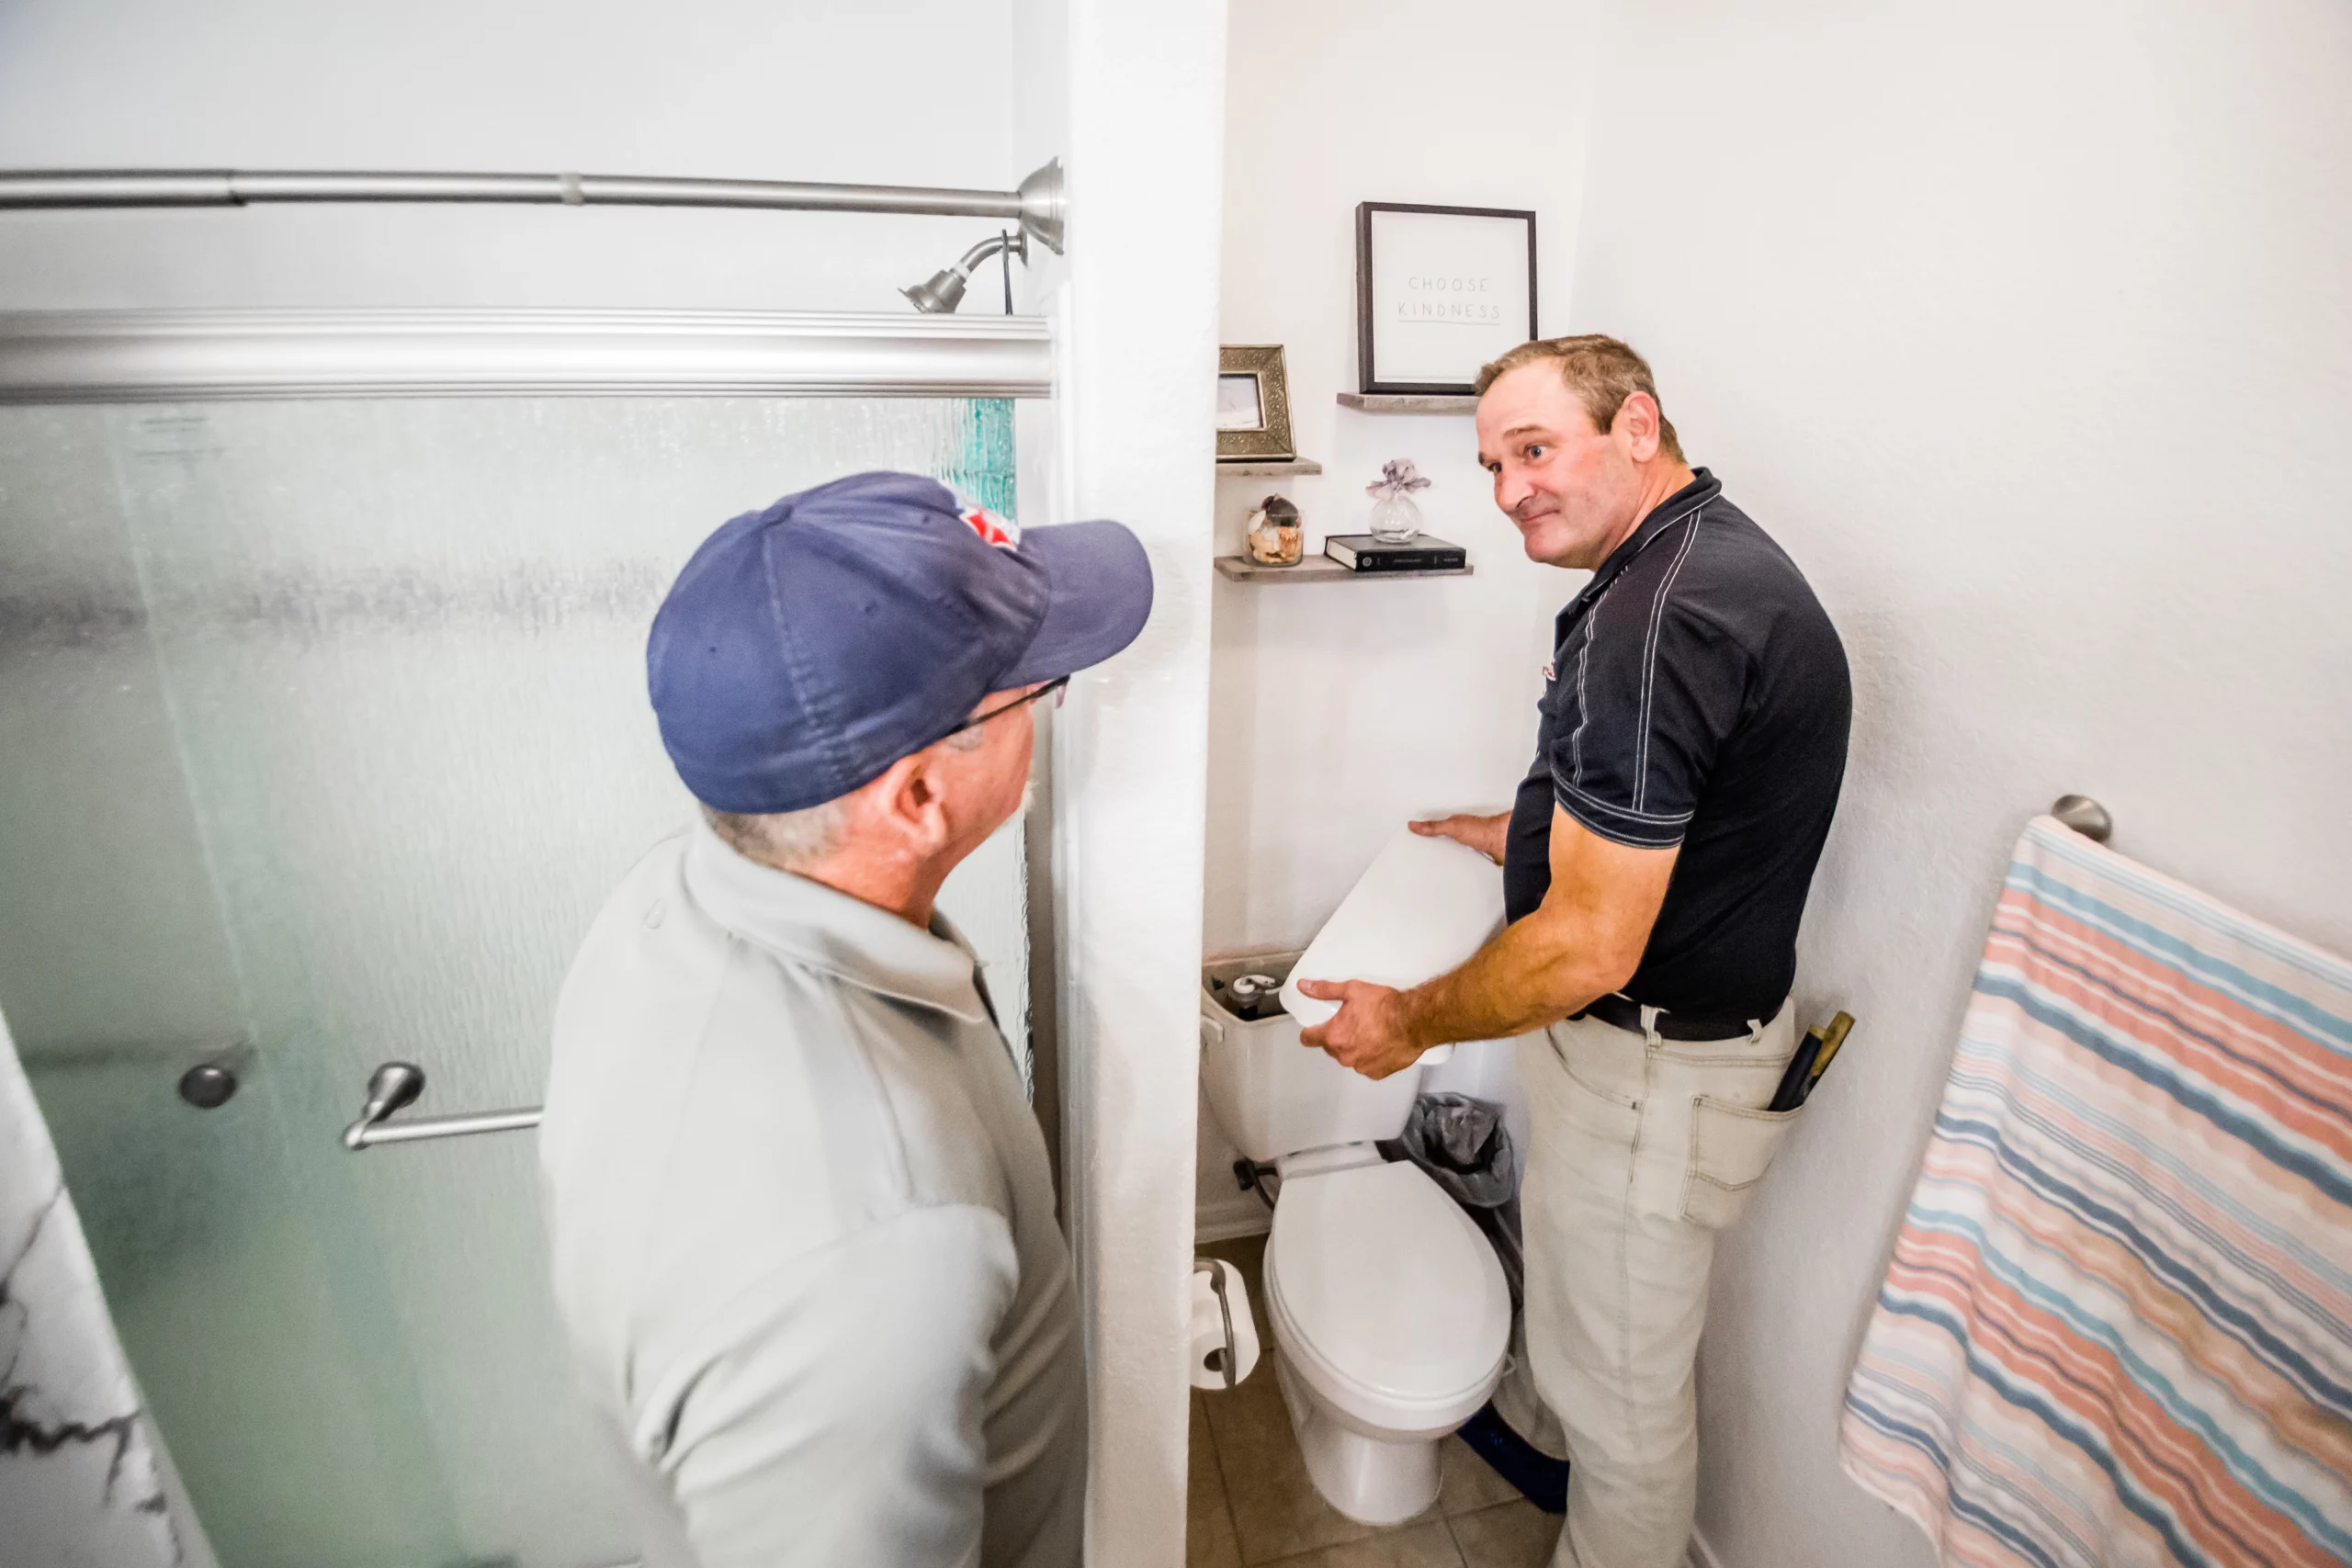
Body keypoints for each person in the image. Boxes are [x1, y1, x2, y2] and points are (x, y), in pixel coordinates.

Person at [1298, 336, 1851, 1568]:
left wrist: (1411, 1021)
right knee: (1589, 1310)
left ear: (1638, 425)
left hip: (1656, 1067)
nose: (1508, 490)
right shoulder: (1695, 559)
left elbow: (1591, 945)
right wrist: (1529, 829)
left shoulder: (1667, 615)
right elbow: (1679, 800)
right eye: (1494, 463)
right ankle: (1545, 1426)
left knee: (1630, 1410)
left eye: (1535, 450)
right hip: (1650, 1051)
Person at [538, 471, 1153, 1568]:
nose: (1052, 702)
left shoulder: (668, 898)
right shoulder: (878, 1246)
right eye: (1037, 690)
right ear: (915, 799)